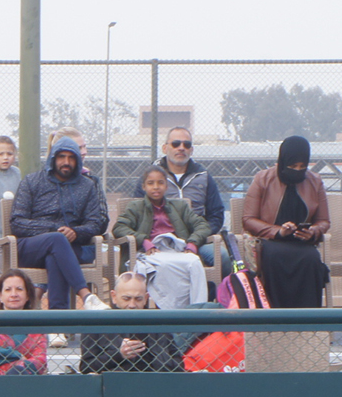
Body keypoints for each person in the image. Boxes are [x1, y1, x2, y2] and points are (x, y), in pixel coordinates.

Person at [9, 136, 107, 310]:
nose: (66, 162)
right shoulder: (32, 181)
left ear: (77, 160)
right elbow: (17, 222)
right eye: (62, 157)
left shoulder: (87, 186)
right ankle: (86, 296)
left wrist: (76, 232)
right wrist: (52, 230)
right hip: (30, 247)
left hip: (69, 247)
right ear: (53, 159)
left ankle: (57, 329)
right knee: (56, 240)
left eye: (71, 158)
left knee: (55, 256)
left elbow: (95, 223)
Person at [242, 136, 330, 309]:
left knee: (311, 258)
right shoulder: (263, 179)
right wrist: (278, 231)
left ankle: (308, 320)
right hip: (271, 241)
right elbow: (248, 219)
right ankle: (275, 317)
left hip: (302, 243)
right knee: (275, 257)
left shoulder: (315, 181)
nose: (297, 171)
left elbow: (324, 220)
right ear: (282, 162)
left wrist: (312, 231)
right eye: (292, 167)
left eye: (302, 167)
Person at [114, 166, 210, 310]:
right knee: (163, 267)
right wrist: (144, 241)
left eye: (160, 183)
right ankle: (171, 312)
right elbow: (119, 227)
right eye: (151, 183)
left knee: (195, 262)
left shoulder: (179, 206)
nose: (156, 187)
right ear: (144, 187)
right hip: (152, 253)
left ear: (166, 186)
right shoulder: (136, 207)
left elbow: (202, 225)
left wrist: (193, 243)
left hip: (177, 250)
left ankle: (198, 311)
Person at [132, 127, 226, 268]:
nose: (181, 148)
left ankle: (212, 290)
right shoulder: (151, 177)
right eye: (176, 144)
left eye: (186, 145)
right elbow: (137, 212)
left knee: (223, 257)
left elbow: (216, 215)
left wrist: (196, 238)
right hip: (159, 241)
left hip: (198, 241)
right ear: (165, 148)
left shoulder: (204, 177)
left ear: (191, 150)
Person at [78, 272, 181, 372]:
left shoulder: (158, 325)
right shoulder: (97, 325)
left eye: (138, 299)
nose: (132, 305)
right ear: (114, 297)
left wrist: (157, 357)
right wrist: (118, 354)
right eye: (126, 299)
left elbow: (178, 365)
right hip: (114, 384)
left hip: (153, 383)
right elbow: (86, 366)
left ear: (145, 298)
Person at [0, 269, 47, 375]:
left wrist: (18, 366)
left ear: (28, 295)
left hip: (26, 379)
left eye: (19, 289)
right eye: (8, 290)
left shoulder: (37, 327)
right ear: (0, 296)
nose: (14, 294)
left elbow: (40, 361)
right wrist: (16, 355)